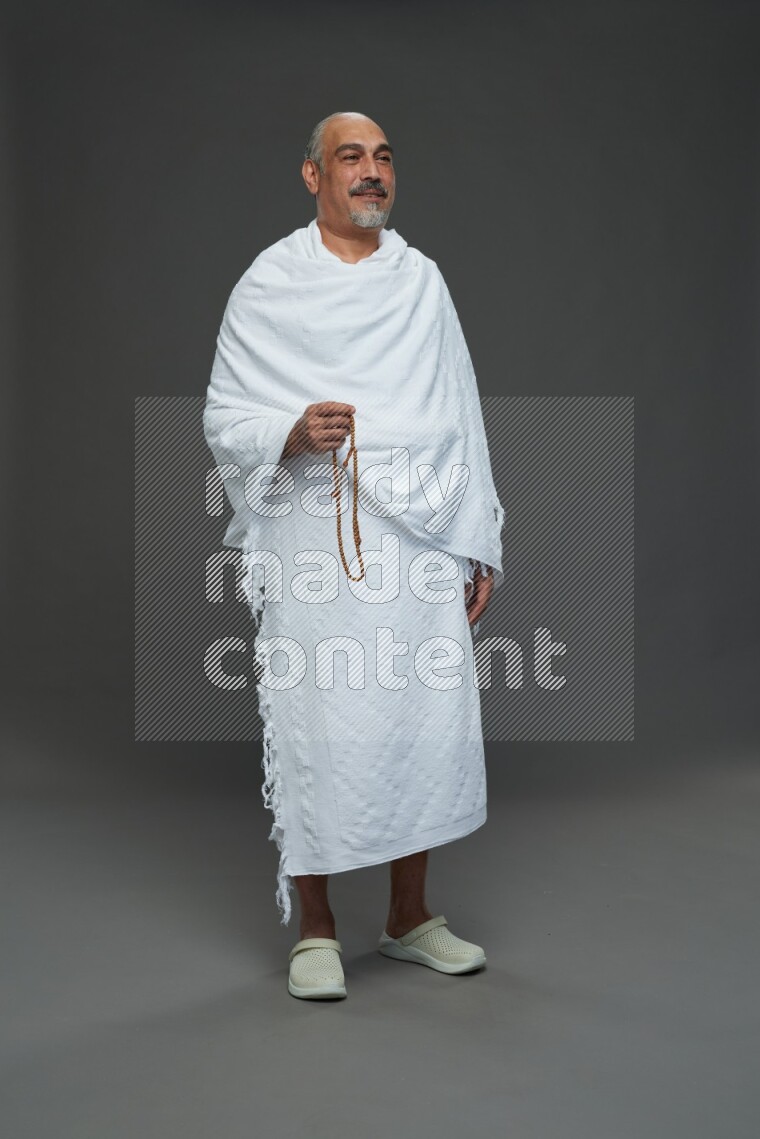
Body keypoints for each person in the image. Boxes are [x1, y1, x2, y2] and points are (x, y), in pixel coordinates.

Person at [203, 111, 505, 1000]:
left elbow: (463, 412)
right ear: (313, 177)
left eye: (381, 158)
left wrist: (478, 537)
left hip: (419, 536)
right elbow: (222, 415)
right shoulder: (269, 284)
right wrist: (288, 431)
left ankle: (410, 916)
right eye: (350, 158)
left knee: (419, 716)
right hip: (313, 531)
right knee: (320, 721)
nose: (370, 173)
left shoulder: (423, 283)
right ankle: (318, 929)